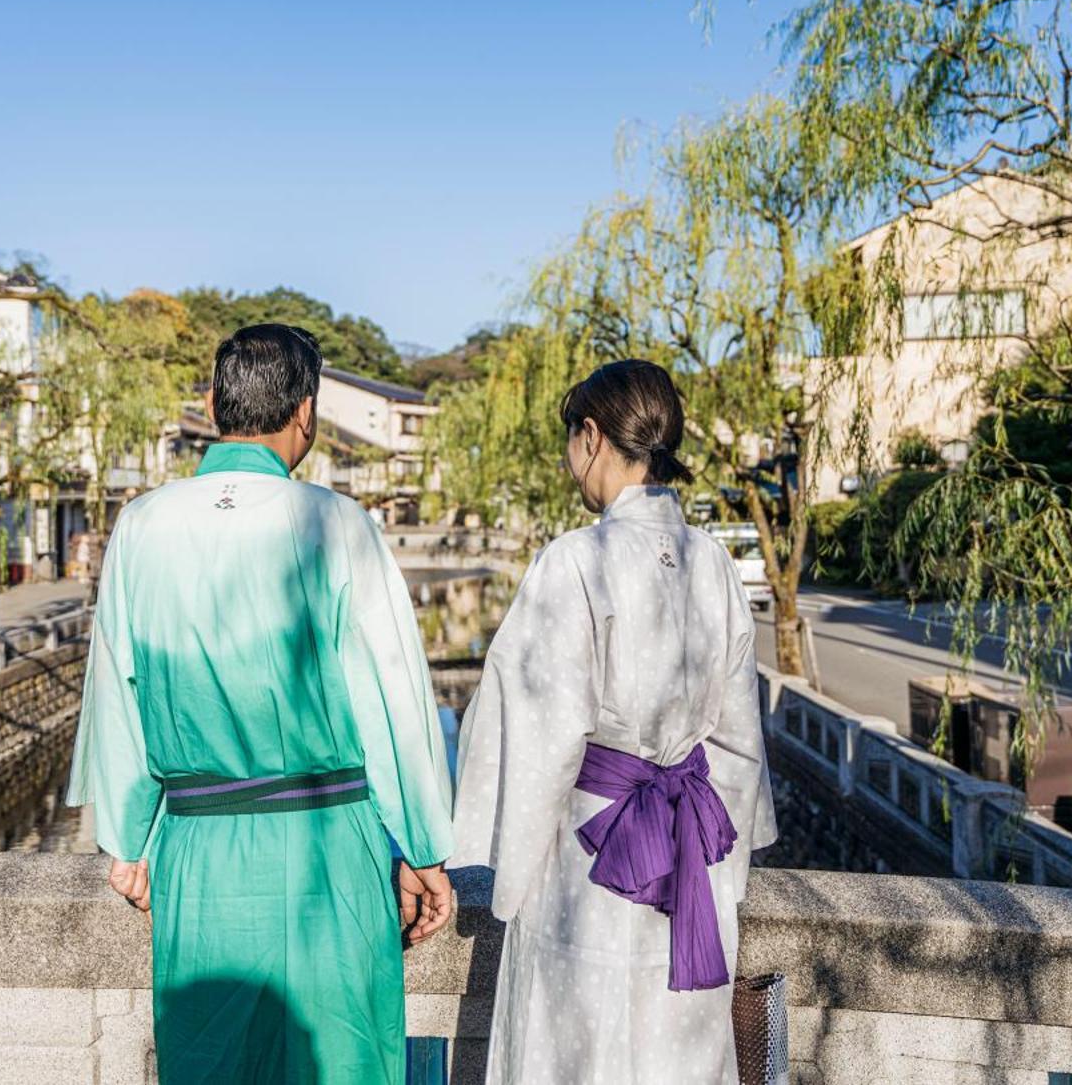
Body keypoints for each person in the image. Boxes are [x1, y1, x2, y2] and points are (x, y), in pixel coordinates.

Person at [67, 323, 455, 1084]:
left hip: (201, 849)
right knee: (342, 1058)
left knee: (210, 1061)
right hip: (329, 841)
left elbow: (119, 694)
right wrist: (422, 848)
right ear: (305, 412)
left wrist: (128, 839)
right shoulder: (337, 524)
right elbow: (393, 704)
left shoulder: (143, 523)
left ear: (213, 403)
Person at [450, 359, 776, 1085]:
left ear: (591, 436)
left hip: (590, 851)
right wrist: (727, 871)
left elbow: (538, 733)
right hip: (692, 846)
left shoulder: (576, 561)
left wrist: (507, 879)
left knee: (577, 1045)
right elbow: (739, 742)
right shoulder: (713, 563)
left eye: (572, 439)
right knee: (674, 1048)